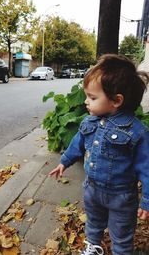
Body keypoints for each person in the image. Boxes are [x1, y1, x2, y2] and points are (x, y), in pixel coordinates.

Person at [49, 54, 149, 255]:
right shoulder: (89, 122)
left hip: (121, 196)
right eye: (87, 96)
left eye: (92, 97)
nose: (86, 102)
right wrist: (64, 162)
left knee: (121, 235)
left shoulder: (136, 132)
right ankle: (92, 248)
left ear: (116, 100)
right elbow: (77, 144)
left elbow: (146, 167)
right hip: (92, 190)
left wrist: (146, 199)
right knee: (93, 226)